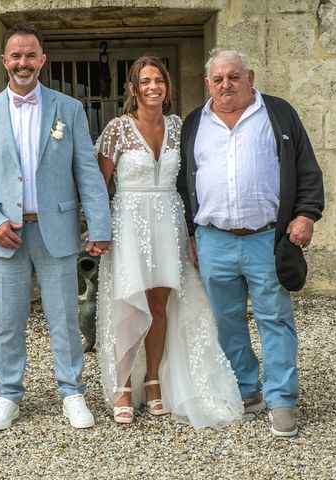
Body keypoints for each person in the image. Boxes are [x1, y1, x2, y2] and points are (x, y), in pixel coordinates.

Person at [0, 23, 112, 430]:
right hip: (5, 233)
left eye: (31, 55)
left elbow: (86, 170)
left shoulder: (69, 109)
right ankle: (8, 394)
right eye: (16, 56)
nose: (23, 63)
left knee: (64, 318)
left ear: (41, 60)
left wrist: (100, 225)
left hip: (56, 230)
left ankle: (72, 392)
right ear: (4, 61)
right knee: (8, 322)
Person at [178, 50, 325, 437]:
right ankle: (246, 389)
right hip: (214, 240)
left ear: (250, 76)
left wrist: (306, 214)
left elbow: (306, 166)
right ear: (207, 83)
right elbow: (185, 184)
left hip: (266, 237)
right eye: (217, 79)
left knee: (274, 319)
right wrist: (192, 235)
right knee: (227, 323)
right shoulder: (195, 122)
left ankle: (281, 399)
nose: (225, 85)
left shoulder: (278, 114)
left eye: (234, 77)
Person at [95, 56, 243, 428]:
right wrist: (98, 230)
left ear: (167, 86)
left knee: (160, 302)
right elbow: (99, 185)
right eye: (144, 81)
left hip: (169, 219)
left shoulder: (180, 127)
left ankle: (154, 379)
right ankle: (124, 385)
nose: (152, 87)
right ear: (132, 89)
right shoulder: (117, 129)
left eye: (158, 80)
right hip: (128, 219)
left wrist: (195, 230)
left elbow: (192, 179)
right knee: (129, 301)